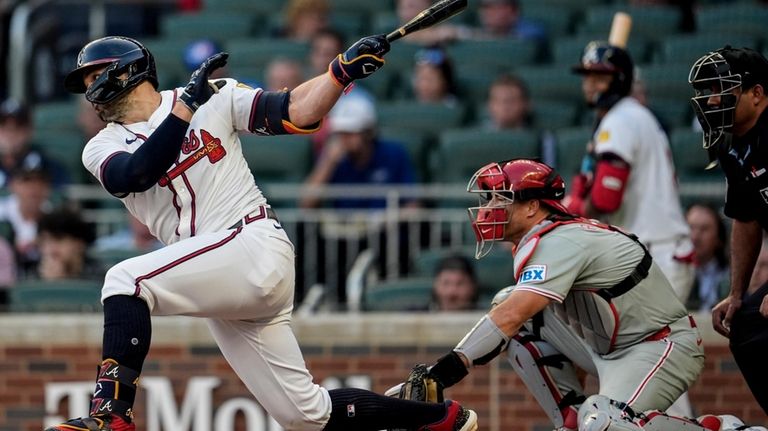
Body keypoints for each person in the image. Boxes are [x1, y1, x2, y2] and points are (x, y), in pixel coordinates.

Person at [47, 35, 476, 431]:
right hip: (219, 277)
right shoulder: (101, 146)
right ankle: (443, 419)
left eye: (94, 74)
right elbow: (137, 173)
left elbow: (293, 110)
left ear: (128, 70)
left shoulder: (213, 97)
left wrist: (338, 73)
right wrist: (185, 110)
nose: (90, 89)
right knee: (305, 415)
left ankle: (110, 415)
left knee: (126, 280)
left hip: (251, 241)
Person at [392, 158, 763, 430]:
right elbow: (512, 313)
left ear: (533, 206)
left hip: (658, 346)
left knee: (603, 424)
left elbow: (512, 316)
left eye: (500, 198)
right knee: (507, 300)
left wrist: (444, 372)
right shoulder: (541, 238)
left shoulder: (560, 240)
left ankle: (724, 430)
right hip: (606, 345)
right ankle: (570, 419)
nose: (490, 208)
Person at [564, 41, 695, 305]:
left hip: (658, 251)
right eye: (587, 77)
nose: (590, 85)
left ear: (620, 80)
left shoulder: (621, 120)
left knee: (653, 344)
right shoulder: (625, 116)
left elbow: (604, 200)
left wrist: (571, 211)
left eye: (600, 77)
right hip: (647, 250)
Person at [688, 46, 768, 415]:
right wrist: (737, 294)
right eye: (708, 91)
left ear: (757, 93)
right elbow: (747, 218)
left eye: (723, 89)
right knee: (746, 327)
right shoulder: (733, 144)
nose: (713, 99)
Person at [300, 96, 418, 210]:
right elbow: (306, 203)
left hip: (386, 229)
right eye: (340, 133)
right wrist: (328, 163)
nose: (344, 139)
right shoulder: (332, 158)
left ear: (368, 132)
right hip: (344, 228)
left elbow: (412, 206)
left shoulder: (394, 154)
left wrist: (386, 218)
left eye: (351, 132)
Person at [0, 99, 68, 189]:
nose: (11, 133)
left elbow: (63, 198)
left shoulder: (47, 166)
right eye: (4, 125)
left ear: (30, 130)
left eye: (18, 126)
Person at [0, 165, 53, 278]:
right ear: (13, 185)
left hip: (42, 273)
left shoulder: (54, 218)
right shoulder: (1, 213)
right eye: (26, 181)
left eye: (39, 182)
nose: (33, 188)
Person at [35, 206, 104, 280]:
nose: (51, 250)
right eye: (45, 241)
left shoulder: (101, 278)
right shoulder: (30, 278)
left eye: (59, 240)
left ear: (79, 244)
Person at [685, 203, 729, 312]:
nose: (695, 236)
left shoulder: (731, 277)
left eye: (704, 229)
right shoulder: (671, 274)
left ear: (719, 238)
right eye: (690, 227)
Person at [472, 0, 546, 43]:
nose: (487, 13)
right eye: (484, 7)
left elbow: (532, 37)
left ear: (513, 11)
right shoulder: (481, 30)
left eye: (493, 8)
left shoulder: (531, 30)